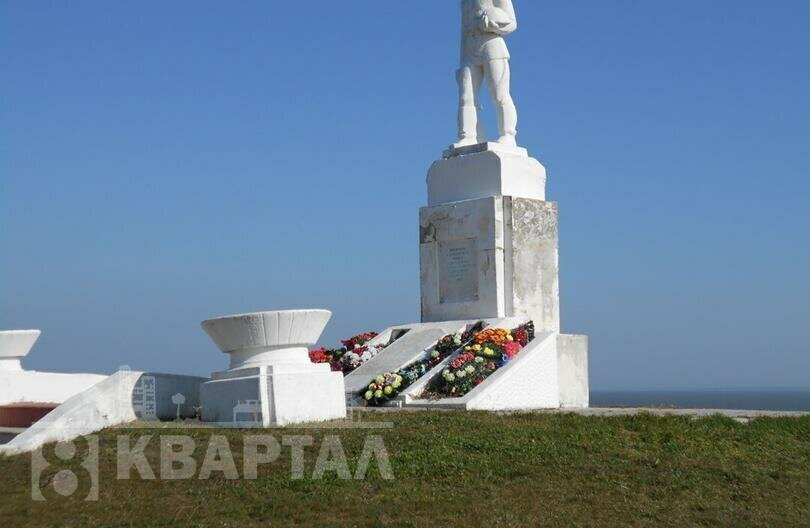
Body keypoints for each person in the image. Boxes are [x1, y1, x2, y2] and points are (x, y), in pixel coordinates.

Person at [455, 0, 519, 148]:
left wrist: (492, 23)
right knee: (466, 97)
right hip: (469, 50)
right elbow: (463, 31)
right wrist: (461, 62)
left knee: (499, 94)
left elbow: (512, 23)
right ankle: (467, 136)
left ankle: (508, 135)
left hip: (492, 46)